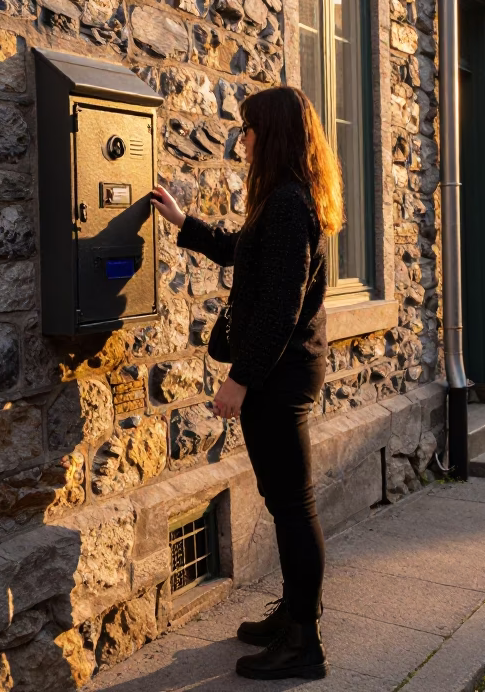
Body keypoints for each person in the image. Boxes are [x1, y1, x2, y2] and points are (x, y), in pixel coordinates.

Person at [151, 86, 341, 681]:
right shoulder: (287, 198)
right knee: (286, 502)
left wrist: (240, 380)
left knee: (293, 506)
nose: (242, 139)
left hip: (280, 376)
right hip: (284, 371)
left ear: (273, 134)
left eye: (249, 129)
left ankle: (304, 643)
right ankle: (294, 615)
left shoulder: (287, 203)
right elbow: (244, 252)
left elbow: (282, 307)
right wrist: (184, 223)